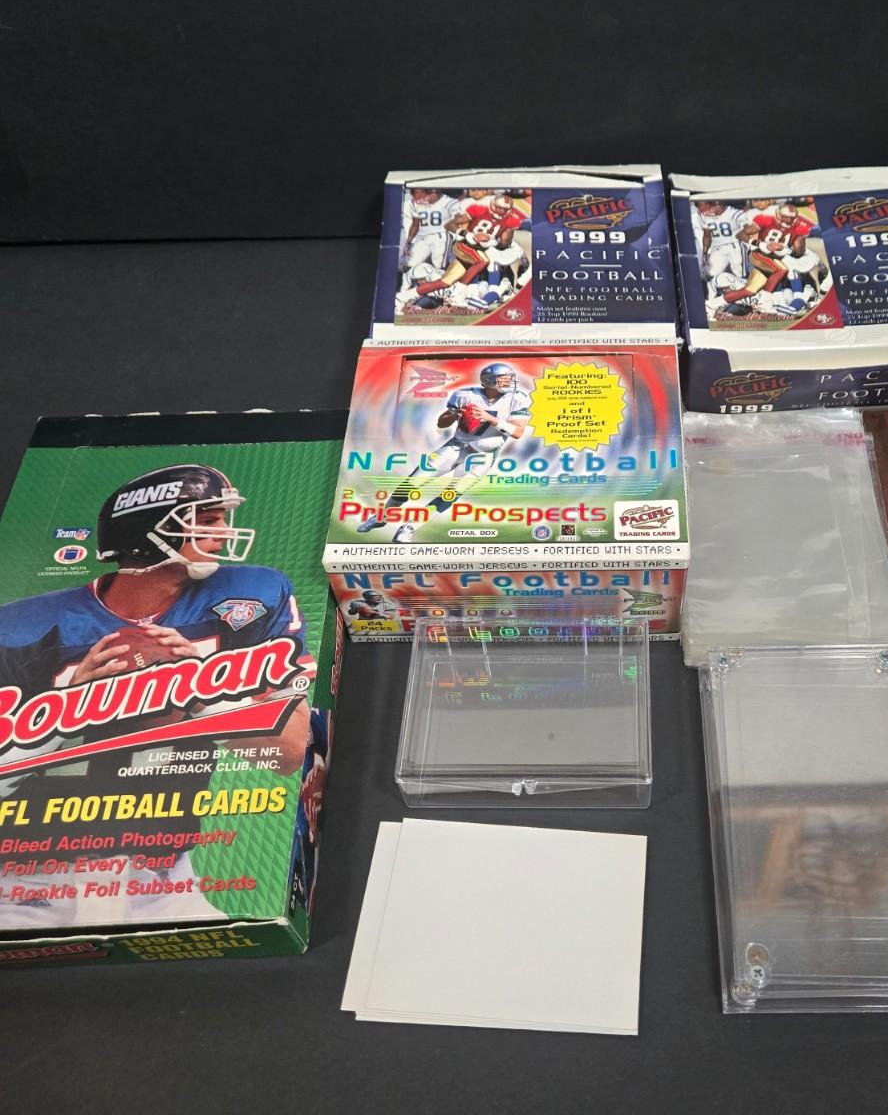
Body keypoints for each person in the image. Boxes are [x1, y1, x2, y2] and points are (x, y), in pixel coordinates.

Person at [0, 464, 312, 929]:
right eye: (206, 521)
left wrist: (197, 688)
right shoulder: (22, 627)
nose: (224, 532)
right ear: (149, 532)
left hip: (162, 880)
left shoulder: (251, 597)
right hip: (31, 882)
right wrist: (73, 701)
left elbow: (290, 753)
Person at [357, 362, 531, 542]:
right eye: (504, 379)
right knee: (412, 482)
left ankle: (409, 528)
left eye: (509, 378)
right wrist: (454, 415)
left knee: (451, 494)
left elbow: (517, 432)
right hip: (457, 446)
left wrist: (489, 418)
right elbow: (442, 423)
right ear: (489, 381)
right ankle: (382, 517)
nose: (509, 382)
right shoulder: (465, 395)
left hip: (484, 455)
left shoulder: (517, 398)